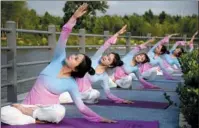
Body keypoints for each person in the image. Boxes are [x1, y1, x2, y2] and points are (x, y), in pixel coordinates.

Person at [1, 3, 116, 125]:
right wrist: (73, 18)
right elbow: (64, 35)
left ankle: (31, 115)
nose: (72, 56)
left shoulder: (71, 84)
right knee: (3, 112)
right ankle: (34, 119)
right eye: (75, 55)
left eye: (76, 59)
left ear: (76, 69)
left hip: (47, 110)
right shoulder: (58, 59)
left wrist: (99, 118)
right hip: (28, 105)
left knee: (60, 111)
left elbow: (82, 107)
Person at [60, 25, 133, 104]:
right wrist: (117, 34)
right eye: (107, 55)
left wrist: (121, 100)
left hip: (84, 92)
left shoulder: (104, 76)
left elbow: (108, 94)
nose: (105, 57)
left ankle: (77, 98)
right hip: (71, 87)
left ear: (110, 65)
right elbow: (106, 44)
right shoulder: (95, 59)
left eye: (109, 59)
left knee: (95, 94)